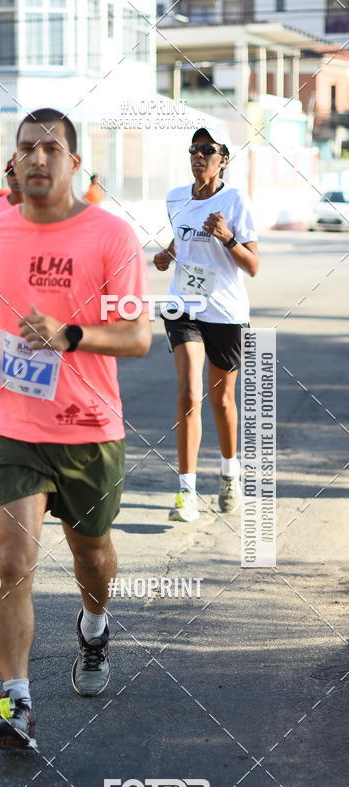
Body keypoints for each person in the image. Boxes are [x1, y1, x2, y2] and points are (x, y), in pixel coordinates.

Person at [0, 108, 151, 750]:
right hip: (8, 421)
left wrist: (68, 336)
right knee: (12, 561)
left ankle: (93, 623)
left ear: (73, 162)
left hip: (88, 425)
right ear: (14, 159)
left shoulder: (111, 237)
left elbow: (138, 336)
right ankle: (17, 703)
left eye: (50, 148)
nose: (37, 158)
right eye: (26, 148)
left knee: (91, 554)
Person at [153, 125, 259, 523]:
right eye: (194, 149)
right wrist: (165, 256)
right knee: (188, 391)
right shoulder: (176, 198)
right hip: (184, 307)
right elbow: (179, 243)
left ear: (223, 159)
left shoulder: (236, 201)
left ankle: (230, 472)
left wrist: (228, 238)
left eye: (207, 149)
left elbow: (253, 266)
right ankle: (186, 492)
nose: (199, 155)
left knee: (223, 400)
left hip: (226, 312)